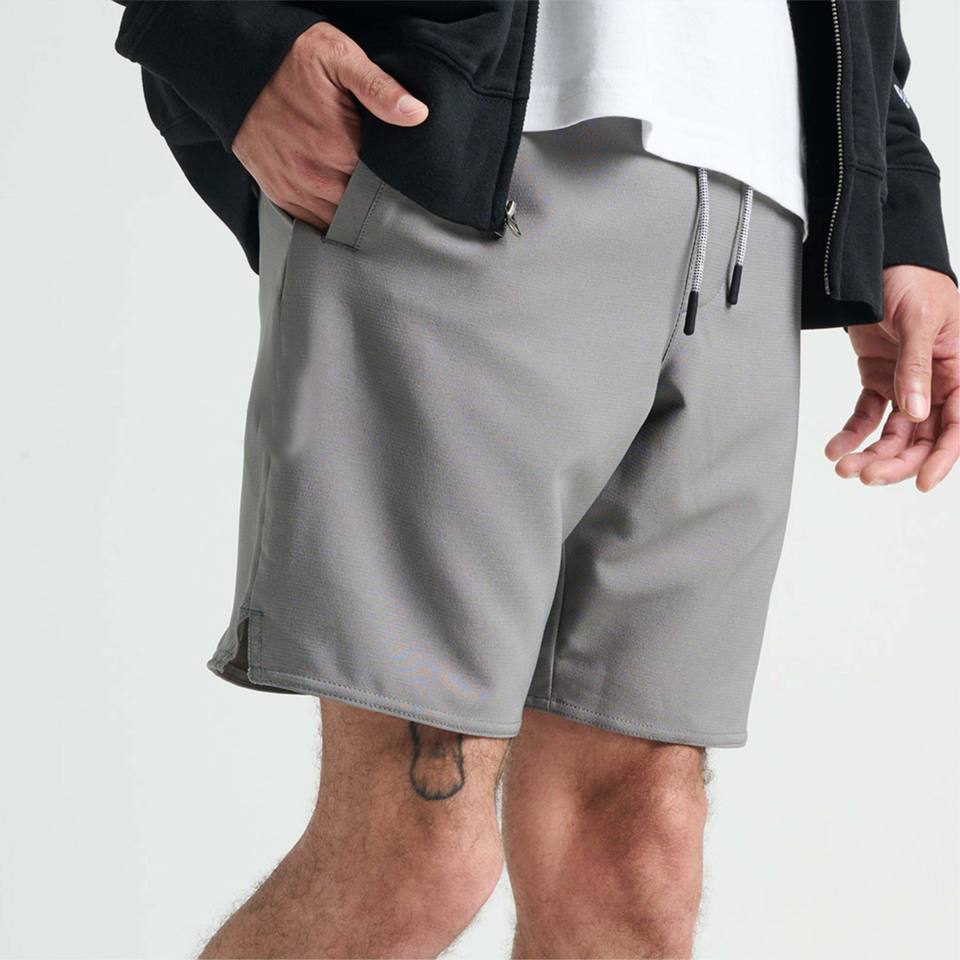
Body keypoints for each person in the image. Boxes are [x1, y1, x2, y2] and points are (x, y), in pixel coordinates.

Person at [113, 2, 958, 957]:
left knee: (637, 857)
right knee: (413, 851)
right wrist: (228, 32)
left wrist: (898, 213)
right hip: (464, 153)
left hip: (754, 215)